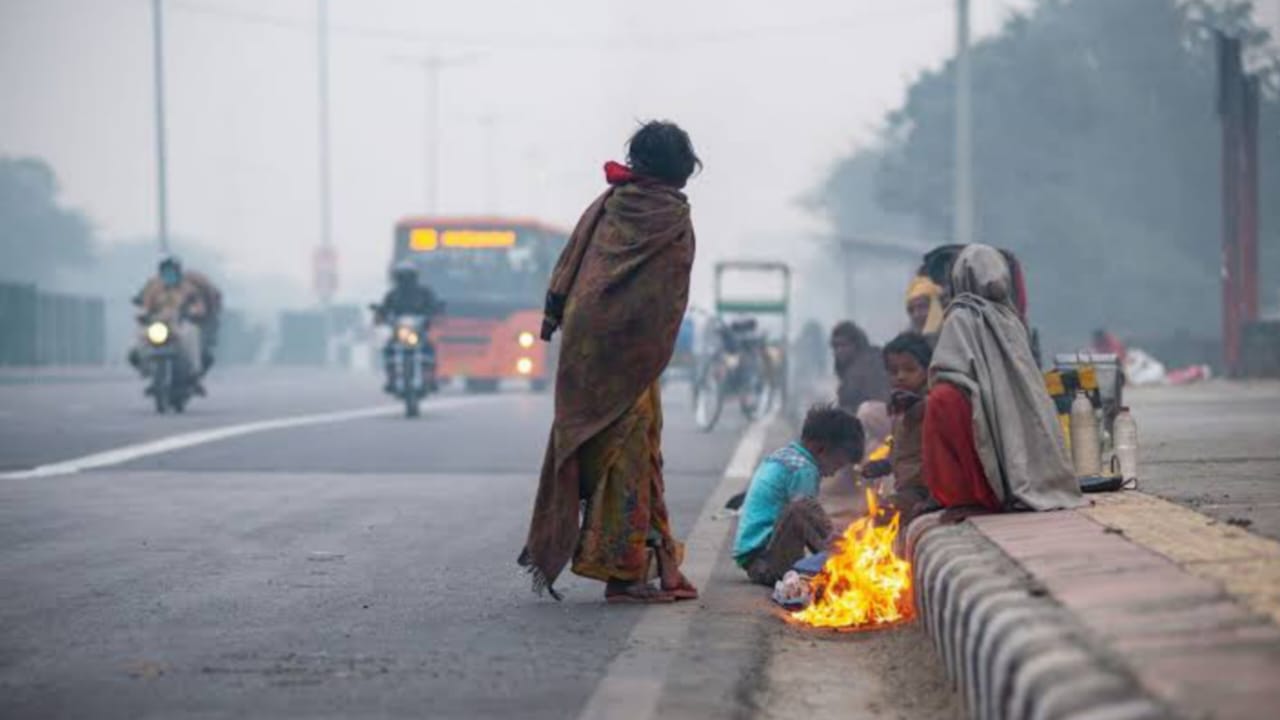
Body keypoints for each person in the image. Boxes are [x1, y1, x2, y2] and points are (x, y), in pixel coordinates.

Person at [518, 120, 701, 604]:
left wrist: (557, 313)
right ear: (679, 168)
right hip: (630, 353)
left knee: (632, 451)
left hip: (585, 347)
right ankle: (625, 575)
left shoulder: (609, 206)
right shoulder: (670, 216)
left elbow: (572, 268)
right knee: (630, 455)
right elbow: (664, 298)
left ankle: (662, 564)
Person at [923, 244, 1083, 515]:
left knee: (942, 399)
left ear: (960, 276)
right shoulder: (1011, 320)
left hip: (975, 421)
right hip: (1009, 426)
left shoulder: (960, 316)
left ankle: (965, 495)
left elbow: (947, 372)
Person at [733, 404, 864, 586]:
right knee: (803, 508)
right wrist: (833, 545)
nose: (834, 473)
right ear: (820, 449)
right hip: (767, 562)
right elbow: (806, 514)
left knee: (809, 512)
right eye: (837, 464)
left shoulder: (785, 455)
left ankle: (836, 558)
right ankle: (841, 563)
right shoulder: (804, 470)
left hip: (756, 559)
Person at [132, 256, 219, 389]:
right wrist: (143, 313)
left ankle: (193, 371)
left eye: (172, 272)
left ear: (178, 272)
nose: (169, 275)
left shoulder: (188, 288)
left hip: (179, 323)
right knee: (139, 340)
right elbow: (144, 305)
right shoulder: (153, 287)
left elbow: (197, 304)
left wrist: (195, 311)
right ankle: (145, 368)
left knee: (191, 333)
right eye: (166, 272)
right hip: (158, 325)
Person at [876, 331, 935, 524]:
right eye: (894, 371)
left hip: (926, 493)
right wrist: (884, 465)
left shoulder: (934, 404)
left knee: (879, 519)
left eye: (910, 369)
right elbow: (902, 453)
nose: (900, 377)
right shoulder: (899, 407)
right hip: (907, 489)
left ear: (927, 370)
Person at [373, 260, 443, 393]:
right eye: (402, 277)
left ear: (414, 277)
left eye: (408, 276)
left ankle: (431, 378)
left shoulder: (424, 292)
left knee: (430, 349)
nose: (405, 280)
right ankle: (391, 379)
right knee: (388, 349)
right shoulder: (392, 294)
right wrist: (381, 314)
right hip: (399, 331)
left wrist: (434, 313)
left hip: (418, 330)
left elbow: (433, 305)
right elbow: (384, 309)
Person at [905, 275, 944, 340]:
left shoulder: (951, 331)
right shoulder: (908, 340)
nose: (916, 314)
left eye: (921, 307)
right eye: (911, 310)